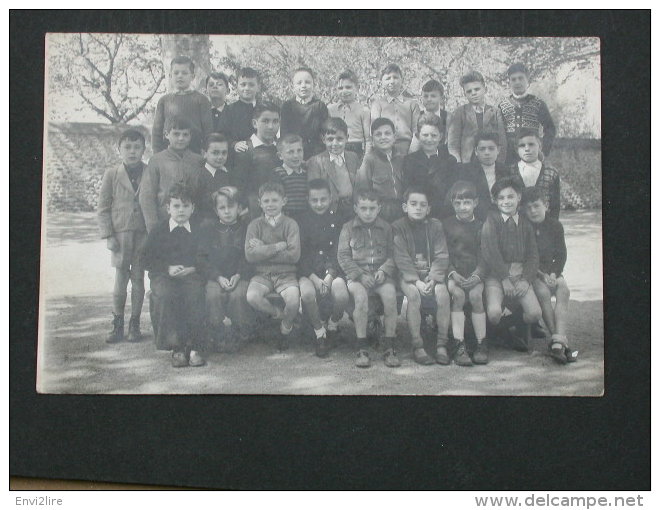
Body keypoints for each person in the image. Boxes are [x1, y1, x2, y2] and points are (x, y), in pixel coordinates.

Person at [143, 183, 206, 368]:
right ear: (168, 208)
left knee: (195, 293)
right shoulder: (159, 230)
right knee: (164, 294)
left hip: (191, 273)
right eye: (176, 206)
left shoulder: (199, 229)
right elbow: (146, 258)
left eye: (186, 206)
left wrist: (194, 268)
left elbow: (205, 255)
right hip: (164, 275)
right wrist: (167, 268)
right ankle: (176, 347)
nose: (181, 211)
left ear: (193, 208)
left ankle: (195, 346)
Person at [97, 129, 148, 344]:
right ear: (119, 150)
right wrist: (108, 235)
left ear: (144, 150)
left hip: (142, 233)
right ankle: (117, 322)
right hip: (120, 234)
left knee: (138, 278)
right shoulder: (112, 174)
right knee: (120, 277)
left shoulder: (149, 171)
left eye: (137, 147)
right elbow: (103, 208)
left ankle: (134, 323)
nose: (132, 151)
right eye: (127, 147)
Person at [337, 191, 399, 368]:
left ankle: (389, 346)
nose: (368, 212)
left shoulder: (387, 228)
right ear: (356, 208)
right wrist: (359, 275)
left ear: (379, 208)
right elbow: (343, 256)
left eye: (372, 208)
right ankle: (362, 347)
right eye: (363, 208)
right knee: (361, 300)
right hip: (357, 276)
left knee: (390, 298)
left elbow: (393, 254)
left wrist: (384, 270)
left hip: (380, 276)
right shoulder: (348, 228)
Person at [392, 187, 452, 366]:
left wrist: (433, 278)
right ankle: (417, 345)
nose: (418, 208)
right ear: (405, 207)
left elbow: (442, 254)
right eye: (413, 204)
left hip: (431, 274)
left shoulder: (435, 225)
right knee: (413, 295)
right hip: (408, 275)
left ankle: (442, 344)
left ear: (428, 209)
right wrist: (417, 281)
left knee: (442, 294)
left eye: (422, 205)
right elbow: (401, 258)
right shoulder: (398, 227)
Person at [481, 176, 542, 351]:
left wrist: (526, 280)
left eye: (510, 197)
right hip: (497, 276)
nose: (506, 201)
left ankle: (507, 328)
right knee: (494, 314)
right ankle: (498, 330)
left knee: (535, 313)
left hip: (520, 275)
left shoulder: (525, 223)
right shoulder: (491, 220)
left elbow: (533, 255)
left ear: (519, 197)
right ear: (494, 200)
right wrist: (504, 278)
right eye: (501, 198)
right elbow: (490, 251)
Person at [522, 187, 577, 364]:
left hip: (552, 271)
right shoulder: (524, 227)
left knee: (563, 290)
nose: (533, 211)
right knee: (544, 293)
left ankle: (557, 340)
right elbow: (526, 257)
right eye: (528, 208)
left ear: (545, 205)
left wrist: (554, 273)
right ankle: (558, 342)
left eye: (536, 206)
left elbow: (561, 254)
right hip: (534, 273)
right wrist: (542, 275)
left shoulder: (555, 225)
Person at [245, 181, 301, 351]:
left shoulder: (291, 224)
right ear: (259, 203)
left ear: (284, 201)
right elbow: (250, 255)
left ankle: (285, 328)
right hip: (262, 274)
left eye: (275, 200)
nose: (270, 205)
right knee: (252, 297)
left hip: (286, 274)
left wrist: (262, 248)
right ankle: (279, 315)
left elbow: (293, 256)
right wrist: (277, 246)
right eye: (266, 201)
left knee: (293, 300)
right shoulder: (255, 225)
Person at [298, 179, 350, 357]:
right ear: (307, 199)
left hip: (332, 270)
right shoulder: (302, 222)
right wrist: (313, 277)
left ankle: (333, 325)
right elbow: (301, 255)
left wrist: (329, 275)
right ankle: (320, 333)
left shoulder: (338, 220)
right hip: (309, 271)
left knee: (341, 294)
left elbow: (338, 250)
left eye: (323, 199)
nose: (319, 204)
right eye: (314, 200)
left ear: (330, 199)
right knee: (307, 293)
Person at [197, 186, 252, 353]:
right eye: (222, 208)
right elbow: (202, 257)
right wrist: (217, 276)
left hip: (239, 275)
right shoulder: (208, 229)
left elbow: (248, 256)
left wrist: (239, 274)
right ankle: (216, 331)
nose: (227, 211)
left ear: (239, 208)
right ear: (216, 210)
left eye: (231, 206)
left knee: (238, 296)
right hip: (216, 276)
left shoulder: (246, 228)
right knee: (212, 296)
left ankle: (240, 332)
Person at [443, 181, 488, 365]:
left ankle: (481, 343)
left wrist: (477, 275)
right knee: (459, 295)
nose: (463, 207)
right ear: (452, 203)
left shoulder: (481, 226)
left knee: (477, 296)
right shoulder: (445, 225)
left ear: (475, 203)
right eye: (458, 203)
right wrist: (452, 272)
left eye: (467, 202)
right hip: (454, 274)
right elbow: (442, 254)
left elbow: (485, 255)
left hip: (475, 274)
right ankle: (458, 343)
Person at [139, 117, 204, 233]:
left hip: (193, 223)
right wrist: (153, 227)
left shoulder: (198, 161)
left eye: (185, 135)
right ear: (166, 134)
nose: (181, 138)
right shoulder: (157, 160)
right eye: (176, 134)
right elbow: (147, 196)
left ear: (190, 136)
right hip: (164, 222)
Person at [151, 56, 213, 154]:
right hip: (168, 153)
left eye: (184, 73)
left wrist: (207, 151)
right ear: (170, 76)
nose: (180, 76)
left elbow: (208, 130)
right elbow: (157, 131)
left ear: (192, 76)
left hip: (195, 151)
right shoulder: (164, 101)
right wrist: (156, 153)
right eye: (176, 73)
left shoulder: (201, 100)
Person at [402, 112, 458, 220]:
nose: (429, 139)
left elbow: (451, 193)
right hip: (417, 215)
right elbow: (408, 191)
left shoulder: (450, 161)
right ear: (418, 136)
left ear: (441, 137)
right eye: (425, 135)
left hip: (443, 216)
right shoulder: (410, 161)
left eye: (433, 135)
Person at [498, 63, 556, 165]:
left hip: (531, 155)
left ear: (527, 81)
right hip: (508, 158)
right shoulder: (502, 106)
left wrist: (543, 151)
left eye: (521, 78)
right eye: (513, 79)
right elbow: (497, 132)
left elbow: (550, 128)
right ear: (509, 83)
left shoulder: (538, 103)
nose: (517, 82)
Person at [233, 102, 282, 218]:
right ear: (255, 123)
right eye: (265, 121)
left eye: (275, 121)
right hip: (254, 214)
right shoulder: (246, 149)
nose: (271, 126)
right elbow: (239, 186)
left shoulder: (281, 148)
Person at [306, 117, 360, 220]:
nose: (335, 144)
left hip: (352, 210)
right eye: (330, 139)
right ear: (323, 139)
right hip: (330, 211)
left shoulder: (353, 157)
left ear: (347, 138)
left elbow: (359, 184)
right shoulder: (317, 161)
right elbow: (315, 190)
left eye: (339, 139)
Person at [447, 71, 507, 164]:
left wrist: (499, 163)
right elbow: (453, 144)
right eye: (469, 91)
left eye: (477, 89)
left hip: (490, 161)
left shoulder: (495, 112)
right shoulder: (459, 113)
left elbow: (502, 141)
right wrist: (458, 164)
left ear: (485, 89)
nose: (473, 93)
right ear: (464, 94)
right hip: (468, 162)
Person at [355, 117, 405, 223]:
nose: (383, 137)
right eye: (378, 134)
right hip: (381, 211)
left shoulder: (402, 158)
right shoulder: (369, 160)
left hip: (402, 209)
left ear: (394, 137)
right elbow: (363, 190)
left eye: (387, 133)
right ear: (372, 139)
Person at [457, 131, 511, 221]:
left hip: (502, 215)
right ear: (476, 151)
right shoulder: (466, 171)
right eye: (482, 149)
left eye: (491, 148)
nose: (487, 153)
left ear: (498, 150)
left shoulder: (505, 171)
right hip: (477, 217)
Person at [370, 63, 421, 155]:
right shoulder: (377, 104)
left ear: (402, 79)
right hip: (384, 147)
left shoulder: (412, 104)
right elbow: (375, 129)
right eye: (388, 78)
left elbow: (416, 131)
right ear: (382, 82)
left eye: (395, 77)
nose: (392, 81)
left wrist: (412, 151)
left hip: (407, 147)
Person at [511, 128, 561, 219]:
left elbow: (555, 205)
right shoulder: (510, 172)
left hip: (544, 224)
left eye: (531, 144)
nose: (527, 149)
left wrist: (553, 226)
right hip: (518, 225)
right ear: (516, 149)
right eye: (522, 145)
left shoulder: (551, 172)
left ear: (540, 146)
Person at [280, 66, 328, 159]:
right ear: (292, 86)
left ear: (314, 84)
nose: (303, 86)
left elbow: (324, 133)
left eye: (307, 82)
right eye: (299, 83)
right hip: (294, 153)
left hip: (316, 153)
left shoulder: (319, 106)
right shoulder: (287, 106)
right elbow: (284, 134)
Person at [327, 70, 372, 160]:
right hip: (335, 148)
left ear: (357, 88)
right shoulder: (330, 109)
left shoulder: (363, 110)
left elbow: (368, 139)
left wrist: (366, 159)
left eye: (348, 87)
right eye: (340, 88)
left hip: (356, 150)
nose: (344, 91)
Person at [198, 133, 242, 224]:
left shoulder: (231, 174)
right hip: (208, 224)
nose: (220, 157)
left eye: (224, 153)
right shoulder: (199, 177)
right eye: (215, 153)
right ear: (204, 153)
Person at [218, 67, 261, 151]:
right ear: (237, 86)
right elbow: (221, 135)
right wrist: (233, 144)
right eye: (243, 84)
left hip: (262, 153)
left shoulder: (264, 108)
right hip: (238, 155)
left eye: (251, 85)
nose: (247, 88)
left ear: (258, 87)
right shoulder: (229, 110)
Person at [270, 134, 309, 222]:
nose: (296, 155)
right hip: (286, 218)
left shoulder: (306, 173)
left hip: (305, 218)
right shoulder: (278, 173)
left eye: (299, 151)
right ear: (280, 156)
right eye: (290, 152)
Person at [409, 79, 448, 153]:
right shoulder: (415, 117)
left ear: (441, 98)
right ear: (421, 99)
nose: (429, 99)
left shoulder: (448, 117)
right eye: (426, 96)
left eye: (433, 96)